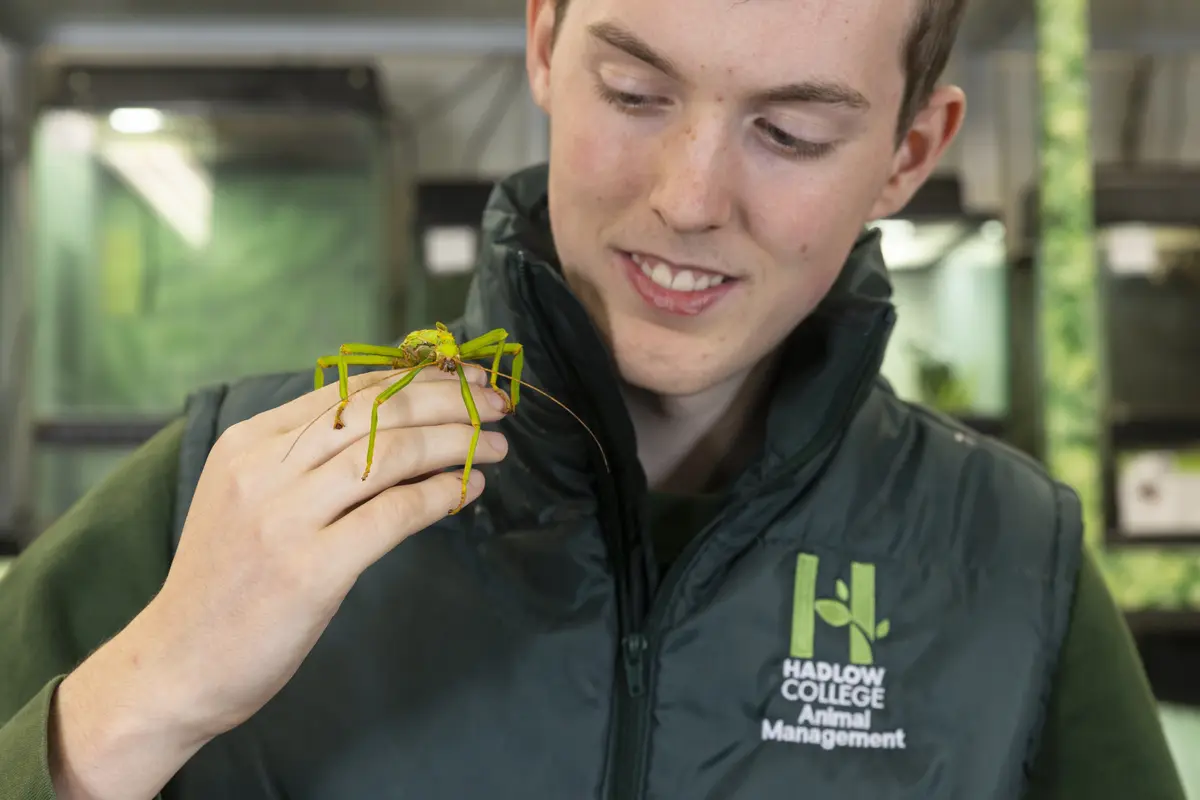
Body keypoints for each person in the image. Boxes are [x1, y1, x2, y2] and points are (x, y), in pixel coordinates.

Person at [0, 0, 1186, 797]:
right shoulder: (229, 482)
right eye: (633, 91)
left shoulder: (1010, 562)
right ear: (543, 42)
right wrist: (141, 694)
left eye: (789, 131)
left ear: (908, 154)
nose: (688, 196)